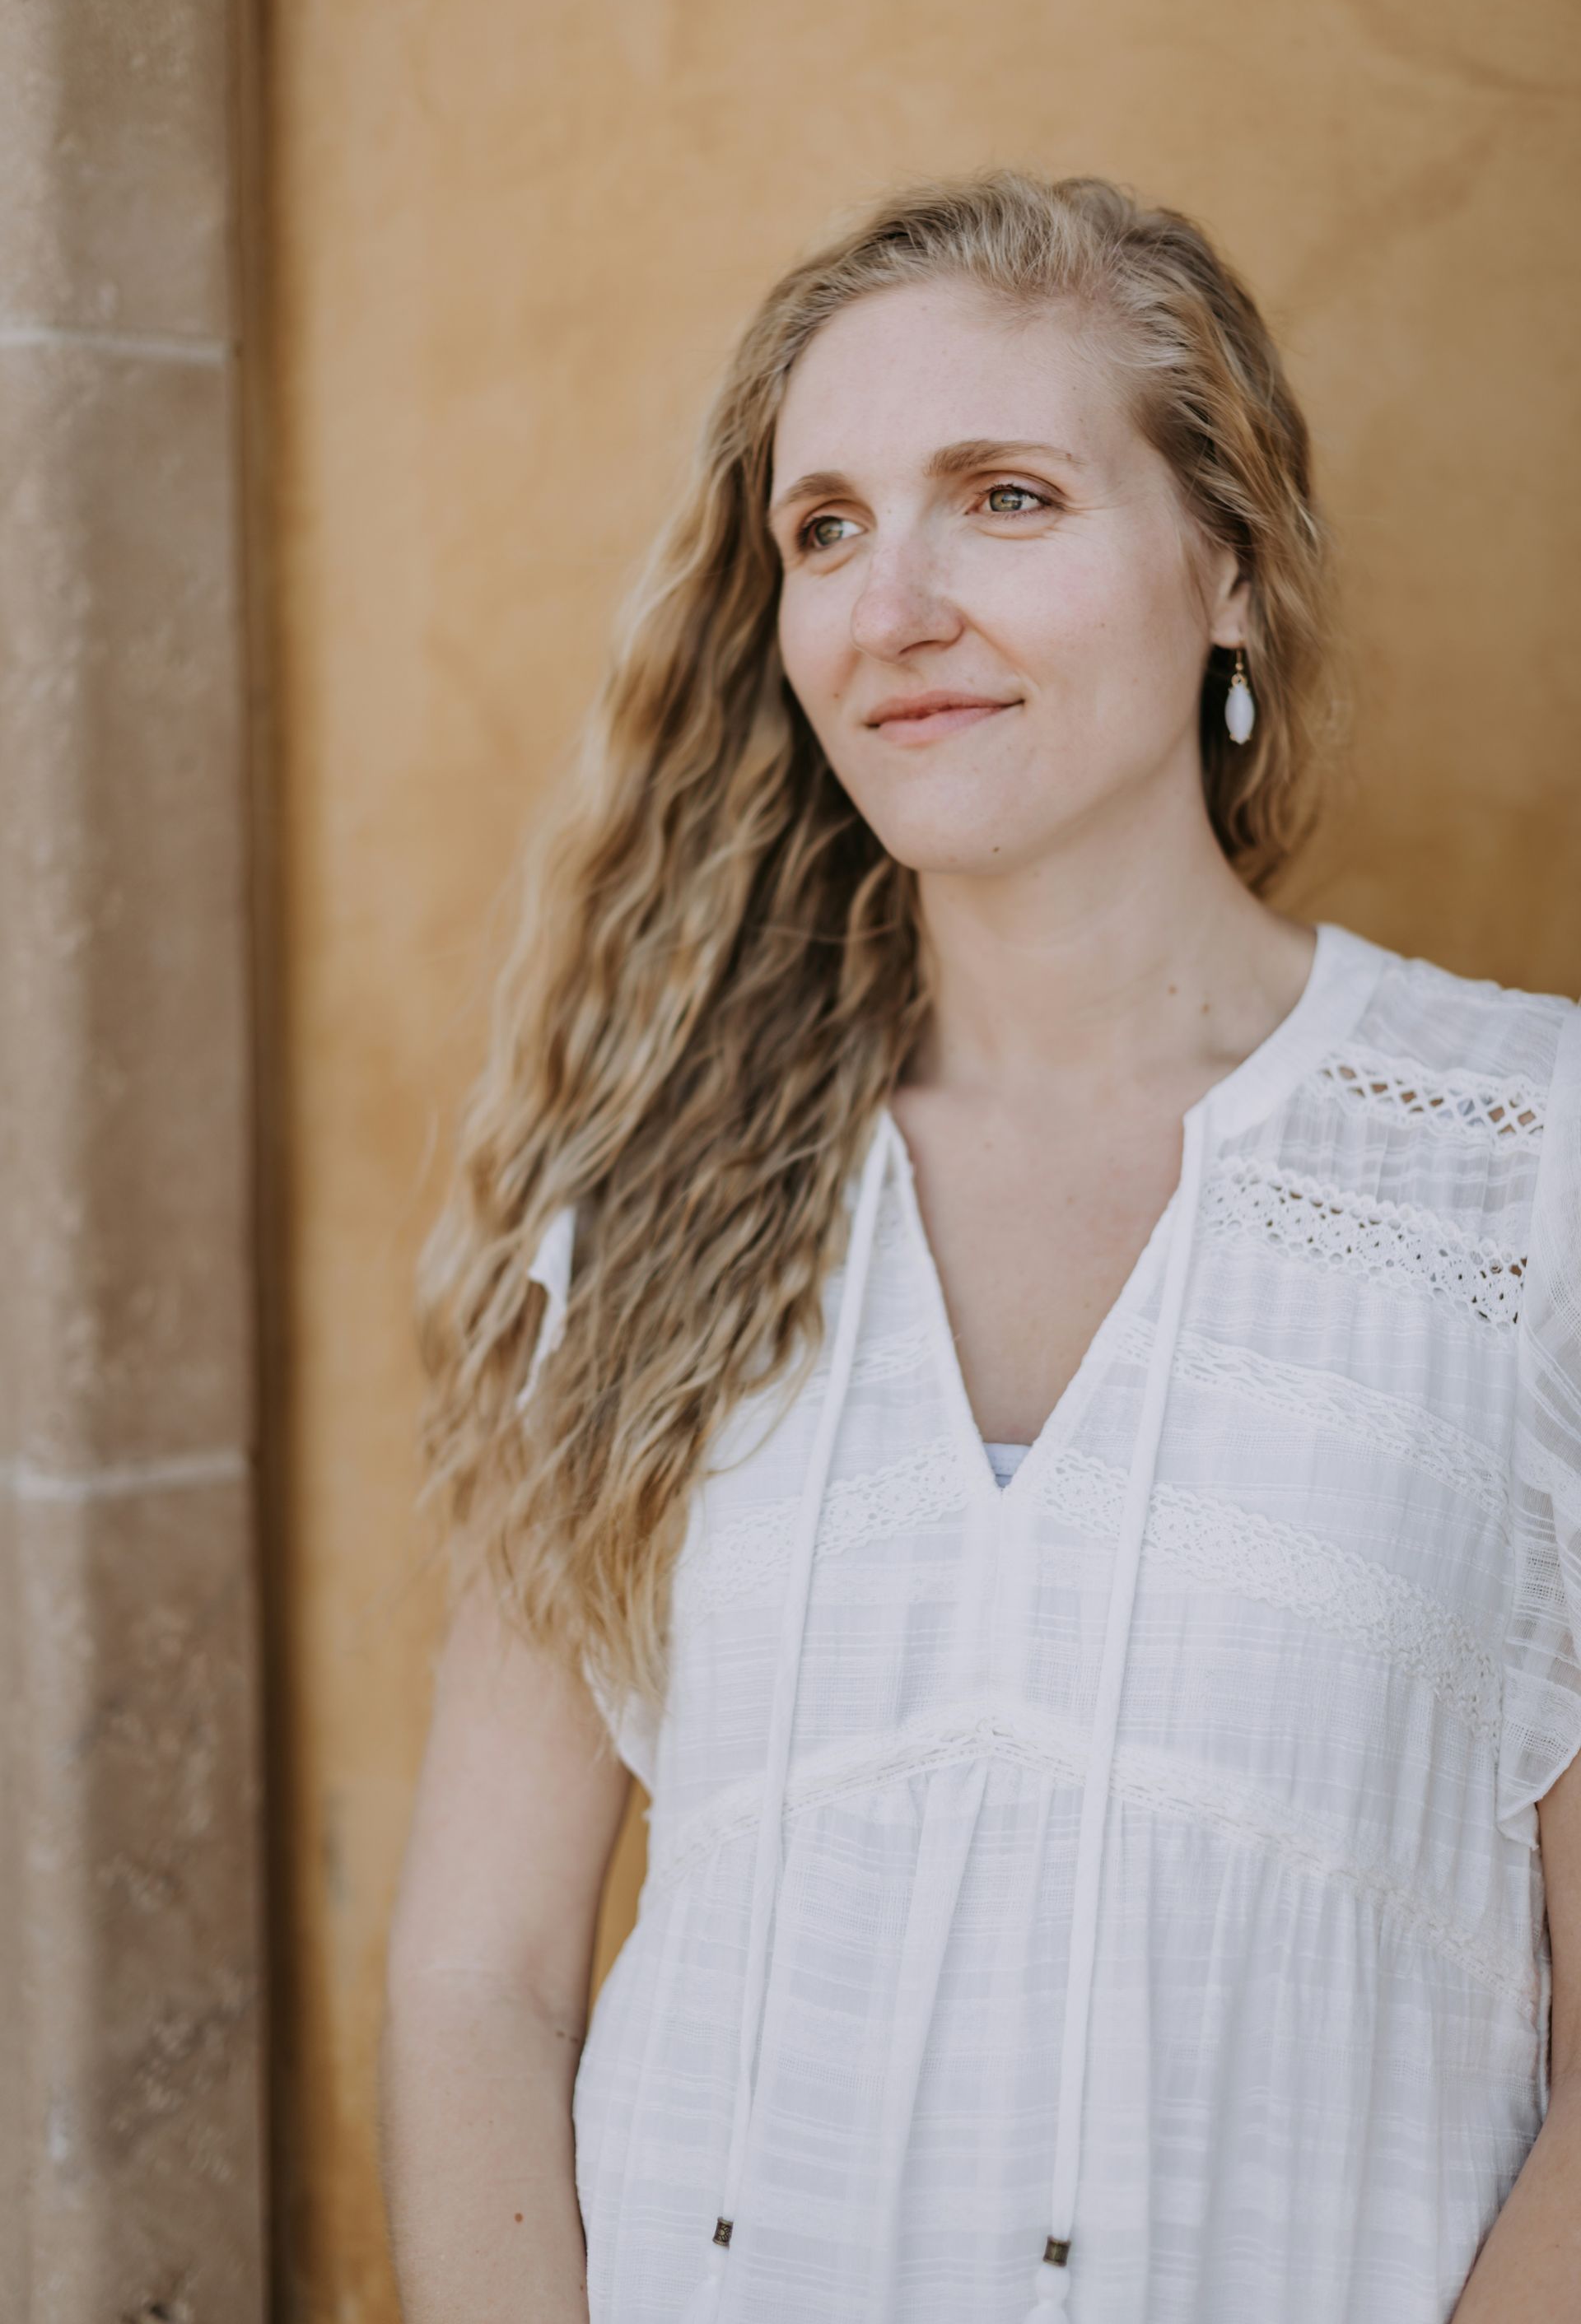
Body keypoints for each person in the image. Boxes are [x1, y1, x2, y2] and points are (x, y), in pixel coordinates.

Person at [378, 173, 1581, 2322]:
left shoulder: (1533, 1166)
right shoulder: (648, 1209)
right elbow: (483, 1978)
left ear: (1227, 564)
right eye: (823, 527)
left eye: (1004, 497)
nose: (891, 601)